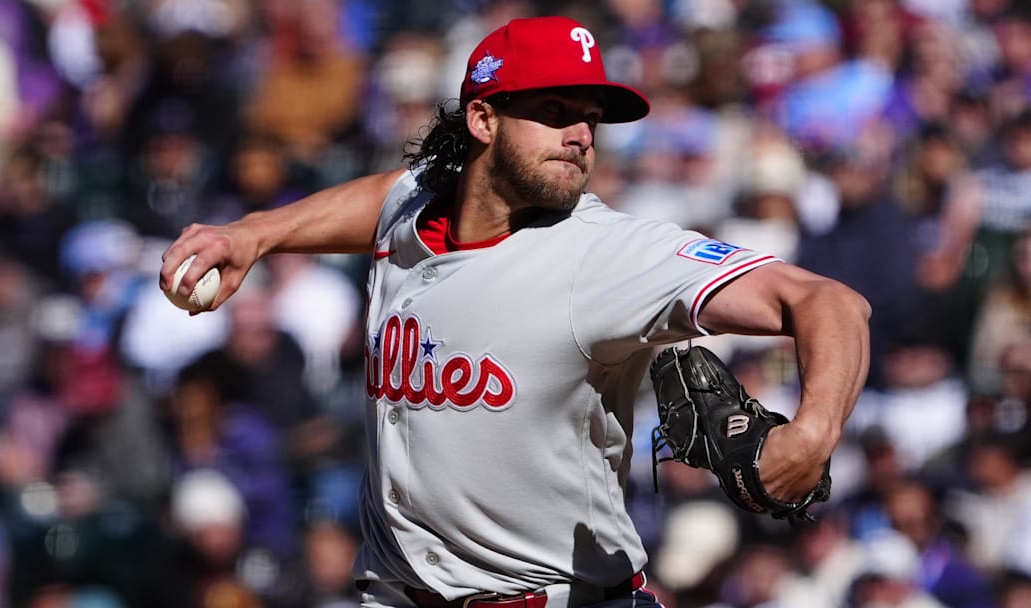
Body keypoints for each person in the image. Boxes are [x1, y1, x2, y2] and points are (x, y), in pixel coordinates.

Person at [160, 15, 871, 608]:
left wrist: (813, 432)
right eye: (555, 112)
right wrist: (255, 232)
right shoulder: (415, 207)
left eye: (590, 119)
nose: (581, 135)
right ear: (482, 120)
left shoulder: (607, 254)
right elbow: (387, 197)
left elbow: (830, 301)